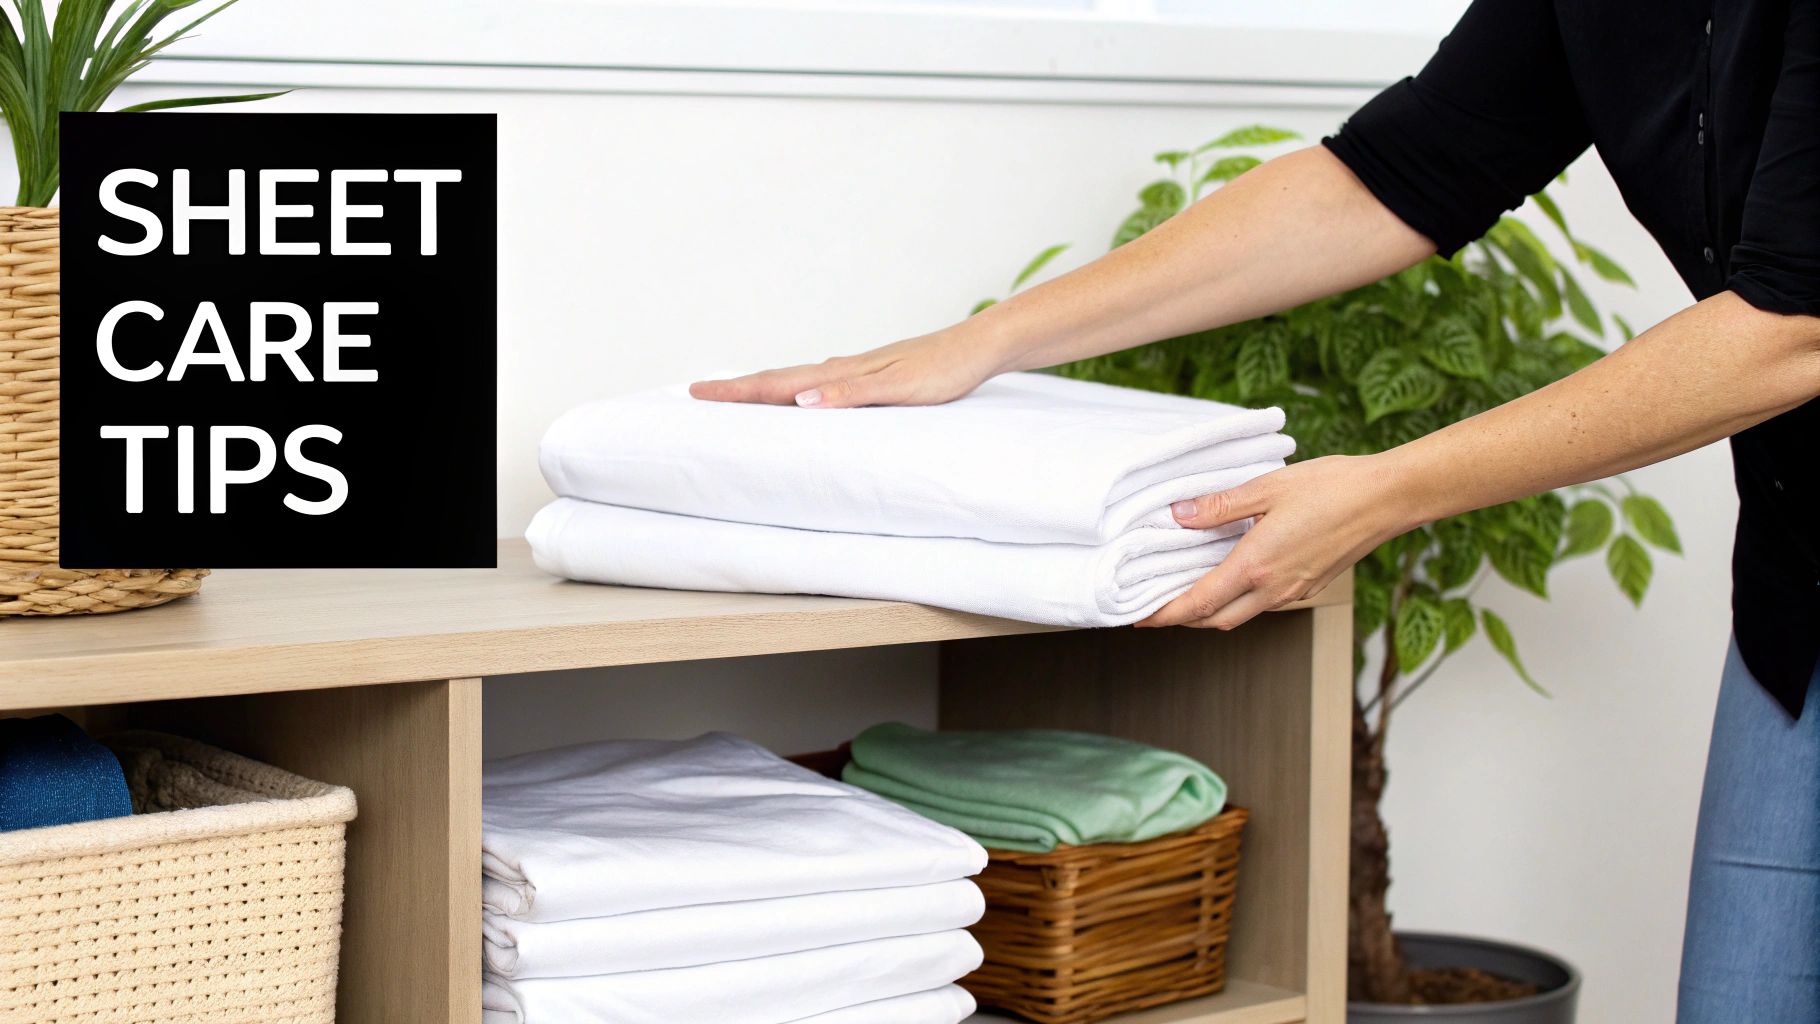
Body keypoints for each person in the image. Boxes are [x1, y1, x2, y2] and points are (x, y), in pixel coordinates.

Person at [691, 1, 1820, 1018]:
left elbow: (1789, 324)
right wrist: (984, 340)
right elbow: (1395, 173)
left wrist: (1383, 488)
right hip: (1794, 593)